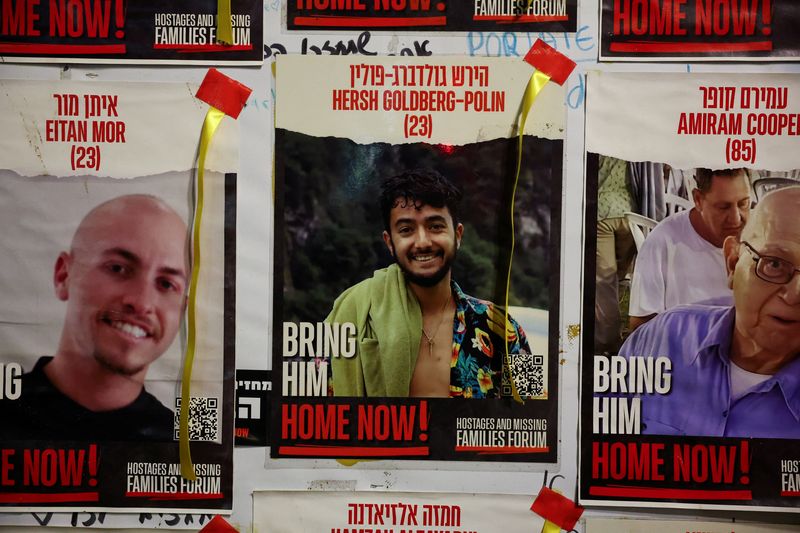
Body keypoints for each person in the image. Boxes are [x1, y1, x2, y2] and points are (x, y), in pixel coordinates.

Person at [326, 170, 532, 398]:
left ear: (458, 235)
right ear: (390, 242)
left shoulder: (506, 329)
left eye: (435, 226)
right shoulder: (355, 317)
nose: (422, 242)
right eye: (406, 230)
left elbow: (538, 416)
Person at [616, 186, 800, 438]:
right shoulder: (663, 337)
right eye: (775, 264)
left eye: (742, 204)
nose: (794, 295)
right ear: (733, 263)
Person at [0, 195, 189, 440]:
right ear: (64, 276)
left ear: (183, 310)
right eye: (118, 268)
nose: (142, 303)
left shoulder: (185, 448)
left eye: (166, 284)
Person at [628, 168, 751, 331]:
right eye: (723, 207)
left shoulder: (762, 239)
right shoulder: (662, 242)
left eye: (744, 204)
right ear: (698, 199)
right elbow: (641, 329)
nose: (736, 218)